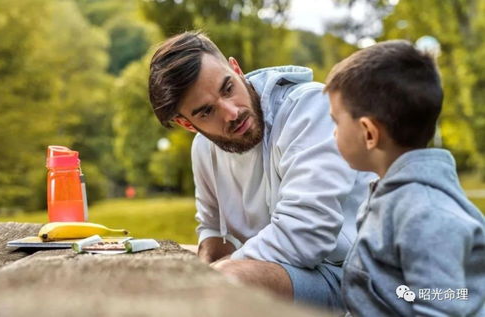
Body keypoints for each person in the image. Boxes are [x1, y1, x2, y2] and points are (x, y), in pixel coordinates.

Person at [148, 31, 373, 310]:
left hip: (359, 278)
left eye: (228, 88)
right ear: (188, 124)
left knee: (227, 282)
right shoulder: (203, 150)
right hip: (294, 273)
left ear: (236, 69)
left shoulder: (310, 108)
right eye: (206, 111)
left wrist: (215, 275)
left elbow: (306, 235)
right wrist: (208, 263)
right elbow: (211, 228)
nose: (231, 113)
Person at [325, 40, 485, 316]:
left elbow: (439, 308)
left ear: (369, 133)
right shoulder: (391, 195)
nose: (334, 133)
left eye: (336, 122)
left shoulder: (426, 214)